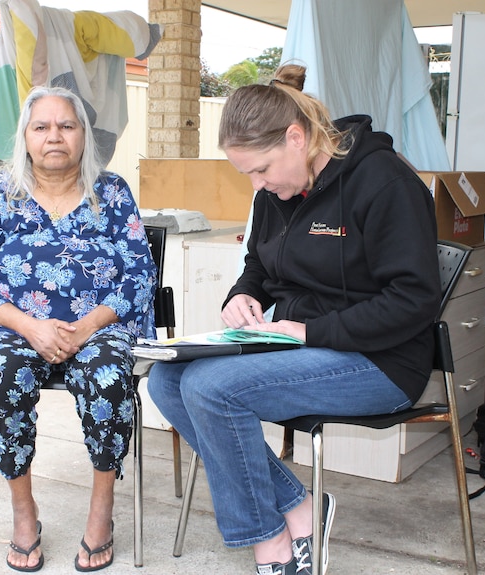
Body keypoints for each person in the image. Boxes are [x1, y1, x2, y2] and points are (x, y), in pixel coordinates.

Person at [147, 64, 441, 575]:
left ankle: (272, 547)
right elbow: (260, 264)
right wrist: (241, 296)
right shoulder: (275, 194)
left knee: (211, 389)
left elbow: (414, 300)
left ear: (296, 137)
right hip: (302, 345)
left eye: (261, 170)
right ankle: (298, 505)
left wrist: (311, 331)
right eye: (249, 176)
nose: (258, 185)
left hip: (381, 360)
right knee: (168, 379)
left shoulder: (385, 182)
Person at [0, 85, 157, 573]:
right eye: (41, 126)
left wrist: (87, 327)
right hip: (19, 327)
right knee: (2, 377)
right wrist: (31, 327)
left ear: (84, 136)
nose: (54, 136)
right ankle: (24, 513)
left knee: (110, 375)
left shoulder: (112, 193)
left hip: (98, 325)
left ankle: (101, 510)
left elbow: (138, 275)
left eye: (67, 125)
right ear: (25, 136)